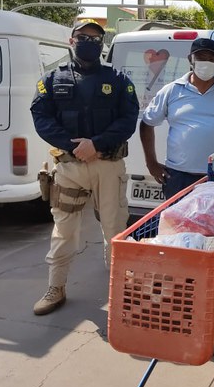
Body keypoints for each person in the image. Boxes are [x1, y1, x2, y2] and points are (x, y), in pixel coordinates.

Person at [30, 19, 139, 316]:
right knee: (64, 230)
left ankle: (121, 291)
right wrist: (74, 144)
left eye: (95, 38)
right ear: (71, 40)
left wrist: (97, 144)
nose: (89, 42)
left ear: (102, 45)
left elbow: (128, 119)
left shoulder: (117, 79)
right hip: (70, 167)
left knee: (115, 228)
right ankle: (56, 287)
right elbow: (41, 117)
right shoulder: (52, 80)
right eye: (83, 36)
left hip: (108, 164)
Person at [140, 38, 214, 199]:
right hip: (179, 178)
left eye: (211, 59)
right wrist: (151, 163)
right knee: (178, 224)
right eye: (201, 57)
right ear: (190, 59)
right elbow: (147, 123)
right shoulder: (171, 91)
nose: (206, 62)